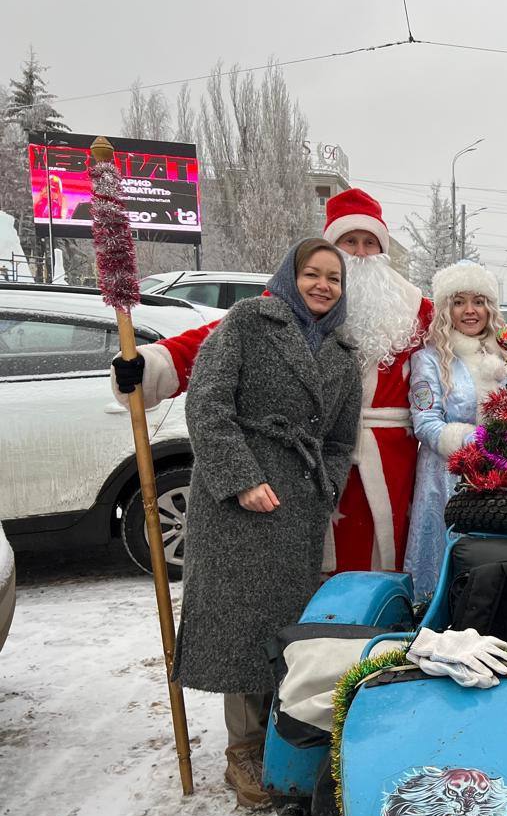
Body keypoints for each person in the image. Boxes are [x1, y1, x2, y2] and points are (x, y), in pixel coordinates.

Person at [110, 189, 432, 574]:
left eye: (369, 243)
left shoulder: (413, 307)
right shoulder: (296, 302)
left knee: (386, 568)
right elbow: (220, 339)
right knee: (310, 568)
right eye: (349, 241)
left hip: (392, 466)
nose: (360, 253)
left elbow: (468, 341)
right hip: (310, 458)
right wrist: (153, 365)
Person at [177, 239, 362, 809]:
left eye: (333, 278)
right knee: (241, 623)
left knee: (284, 625)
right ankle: (243, 751)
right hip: (238, 504)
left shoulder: (342, 351)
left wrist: (325, 484)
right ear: (291, 275)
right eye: (313, 274)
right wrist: (242, 478)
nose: (323, 286)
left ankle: (282, 743)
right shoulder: (246, 323)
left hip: (298, 505)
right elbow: (207, 404)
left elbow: (338, 439)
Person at [405, 261, 507, 601]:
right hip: (446, 480)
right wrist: (476, 441)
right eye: (459, 301)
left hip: (502, 479)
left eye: (478, 301)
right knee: (445, 569)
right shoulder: (430, 359)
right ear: (446, 308)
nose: (469, 310)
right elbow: (426, 423)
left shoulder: (506, 357)